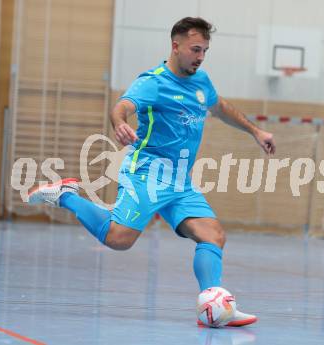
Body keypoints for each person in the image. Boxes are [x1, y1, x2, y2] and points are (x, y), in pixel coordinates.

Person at [28, 17, 275, 327]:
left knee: (213, 236)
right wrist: (119, 123)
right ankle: (64, 195)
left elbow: (219, 106)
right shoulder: (153, 82)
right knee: (119, 239)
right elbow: (123, 106)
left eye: (205, 51)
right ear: (176, 46)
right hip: (146, 174)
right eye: (195, 49)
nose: (200, 57)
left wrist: (255, 131)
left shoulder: (201, 82)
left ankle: (211, 307)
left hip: (180, 182)